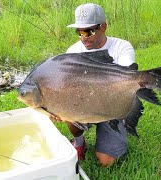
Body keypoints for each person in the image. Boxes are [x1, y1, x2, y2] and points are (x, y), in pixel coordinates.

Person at [54, 3, 136, 167]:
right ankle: (79, 142)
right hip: (84, 104)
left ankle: (114, 131)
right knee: (66, 108)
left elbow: (125, 82)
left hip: (113, 107)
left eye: (88, 31)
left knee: (106, 161)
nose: (83, 37)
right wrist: (57, 109)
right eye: (79, 32)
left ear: (103, 26)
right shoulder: (72, 52)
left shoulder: (122, 47)